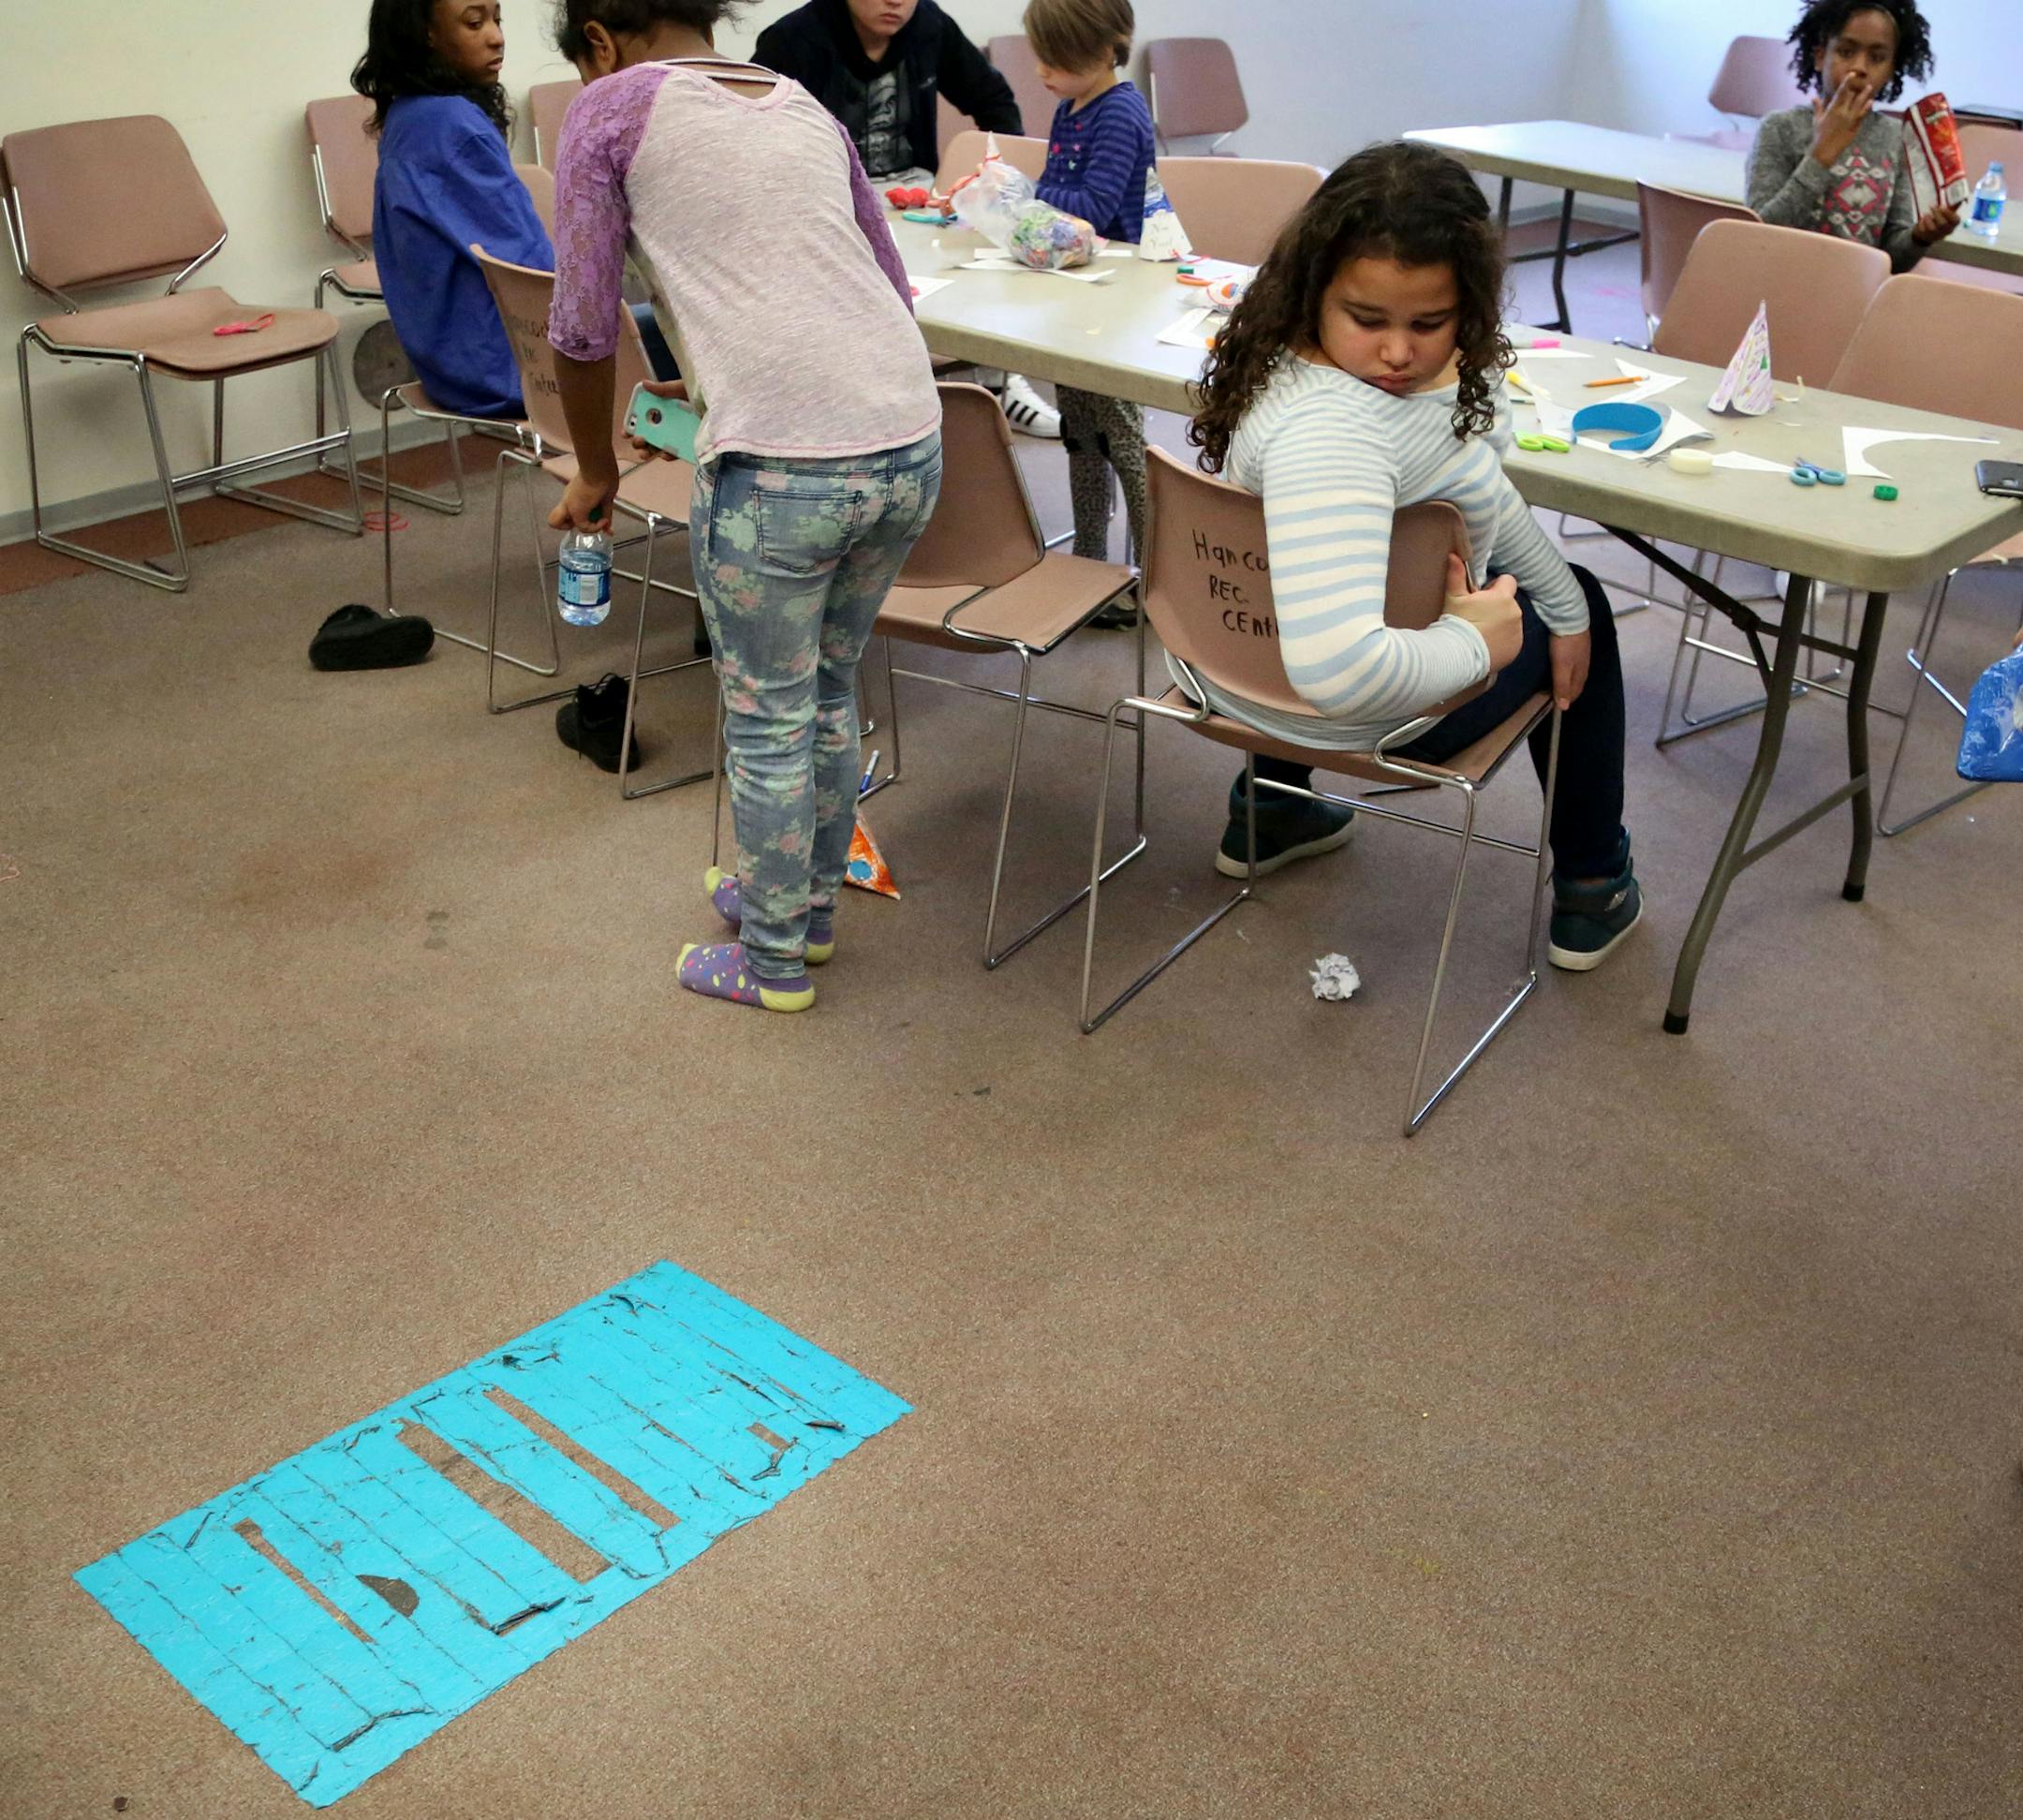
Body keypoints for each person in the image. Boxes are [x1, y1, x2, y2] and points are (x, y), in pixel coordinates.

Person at [545, 0, 942, 1014]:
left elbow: (583, 329)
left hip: (781, 473)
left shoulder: (609, 109)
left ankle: (769, 961)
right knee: (829, 693)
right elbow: (881, 284)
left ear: (598, 38)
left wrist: (595, 468)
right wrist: (722, 385)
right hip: (907, 438)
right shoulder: (803, 101)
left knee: (767, 720)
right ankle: (800, 912)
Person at [1186, 141, 1643, 971]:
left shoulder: (1286, 367)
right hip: (1357, 709)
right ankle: (1594, 882)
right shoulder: (1343, 438)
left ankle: (1272, 807)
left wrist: (1560, 607)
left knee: (1567, 594)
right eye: (1372, 321)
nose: (1399, 353)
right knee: (1585, 607)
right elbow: (1340, 669)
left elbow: (1481, 489)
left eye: (1429, 325)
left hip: (1237, 670)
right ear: (1321, 290)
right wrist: (1482, 644)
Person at [755, 0, 1060, 439]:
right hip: (834, 202)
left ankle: (1001, 385)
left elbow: (992, 98)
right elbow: (753, 128)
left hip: (915, 196)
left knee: (986, 256)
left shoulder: (929, 25)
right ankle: (875, 404)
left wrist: (995, 180)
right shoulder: (792, 40)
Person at [351, 0, 554, 418]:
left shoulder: (407, 116)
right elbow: (532, 270)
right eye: (474, 23)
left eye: (498, 20)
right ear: (426, 34)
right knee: (683, 341)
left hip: (451, 369)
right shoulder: (453, 123)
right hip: (513, 369)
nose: (497, 36)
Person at [1025, 0, 1154, 611]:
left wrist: (1025, 195)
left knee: (1123, 439)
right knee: (1081, 434)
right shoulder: (1068, 107)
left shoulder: (1122, 112)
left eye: (1060, 60)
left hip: (1119, 298)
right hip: (1078, 291)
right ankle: (1091, 564)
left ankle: (1159, 579)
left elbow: (1092, 208)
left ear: (1108, 48)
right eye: (1042, 58)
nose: (1046, 72)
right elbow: (1064, 210)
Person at [1749, 0, 1958, 272]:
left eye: (1877, 57)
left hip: (1855, 296)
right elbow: (1757, 237)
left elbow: (1892, 259)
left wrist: (1921, 237)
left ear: (1892, 68)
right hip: (1780, 287)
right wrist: (1821, 155)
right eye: (1846, 51)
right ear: (1821, 56)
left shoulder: (1897, 139)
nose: (1860, 67)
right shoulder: (1779, 128)